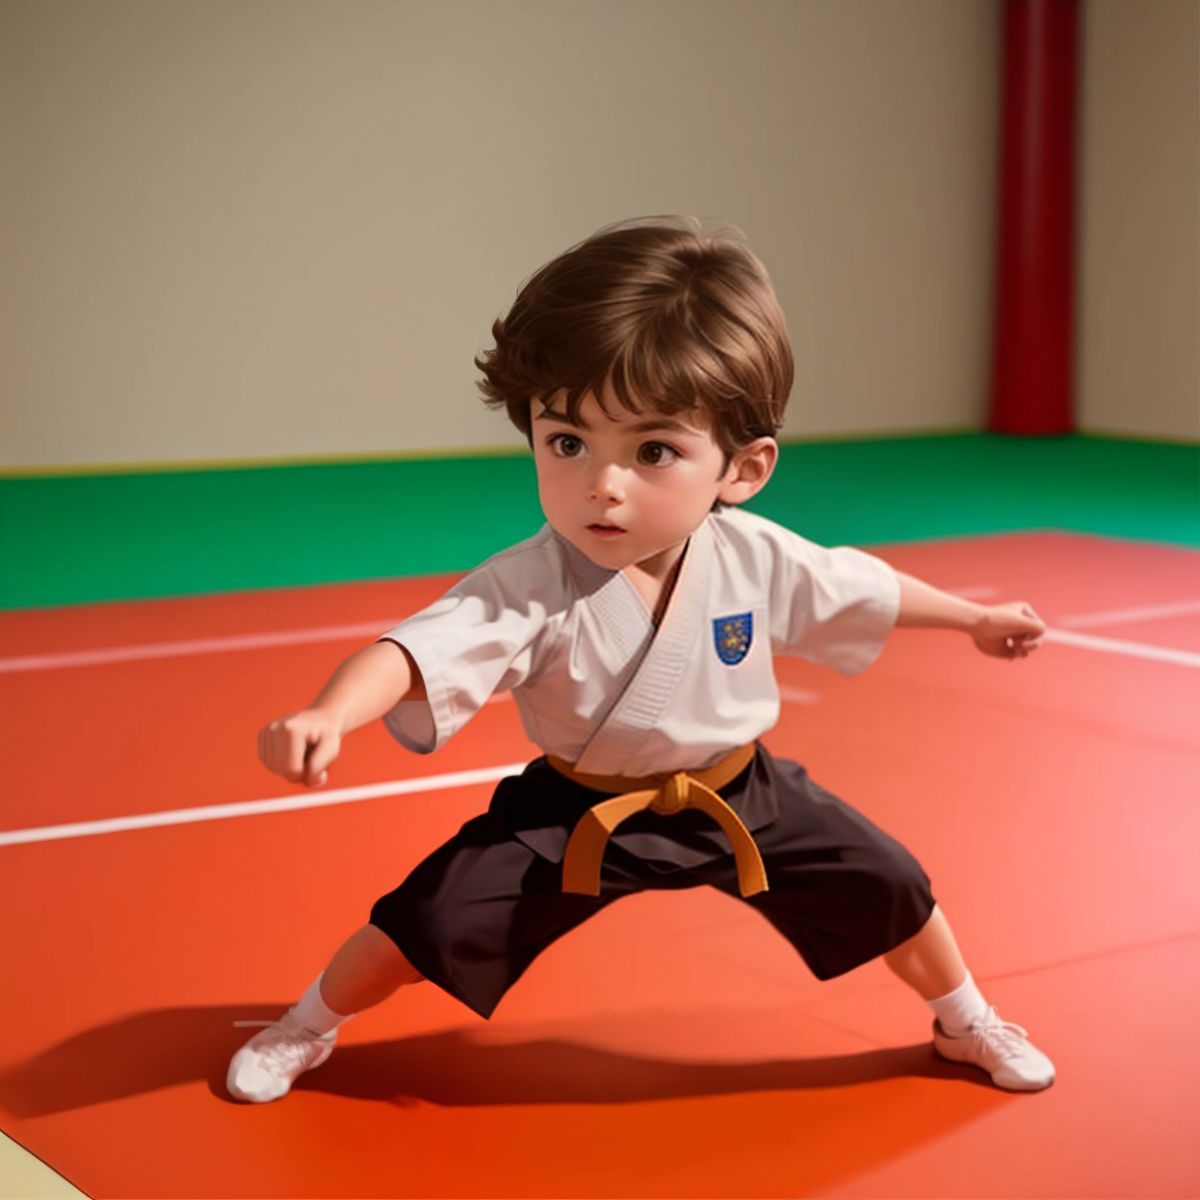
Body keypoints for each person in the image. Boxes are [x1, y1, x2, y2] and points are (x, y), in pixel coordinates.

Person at [227, 215, 1055, 1104]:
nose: (602, 484)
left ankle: (965, 1020)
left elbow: (859, 589)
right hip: (574, 808)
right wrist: (326, 713)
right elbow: (411, 653)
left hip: (741, 793)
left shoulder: (753, 556)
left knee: (892, 884)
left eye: (652, 451)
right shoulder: (530, 583)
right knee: (419, 922)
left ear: (742, 469)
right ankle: (303, 1028)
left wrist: (972, 618)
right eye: (567, 442)